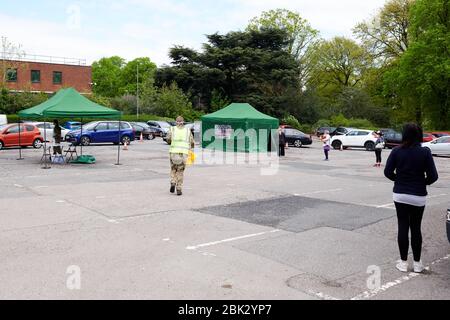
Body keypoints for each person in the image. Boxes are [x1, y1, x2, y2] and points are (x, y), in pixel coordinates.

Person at [384, 123, 438, 273]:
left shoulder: (396, 151)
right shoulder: (425, 152)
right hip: (418, 195)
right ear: (419, 135)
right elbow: (433, 176)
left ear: (404, 135)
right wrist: (421, 183)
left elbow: (387, 172)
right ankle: (417, 263)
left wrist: (399, 180)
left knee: (402, 225)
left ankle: (402, 262)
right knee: (416, 227)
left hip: (400, 194)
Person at [166, 116, 195, 196]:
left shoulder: (172, 129)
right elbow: (192, 142)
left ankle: (173, 182)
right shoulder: (187, 131)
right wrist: (191, 148)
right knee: (180, 171)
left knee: (173, 169)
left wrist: (171, 142)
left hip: (173, 153)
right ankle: (178, 188)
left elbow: (168, 139)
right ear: (183, 122)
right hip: (184, 154)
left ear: (176, 122)